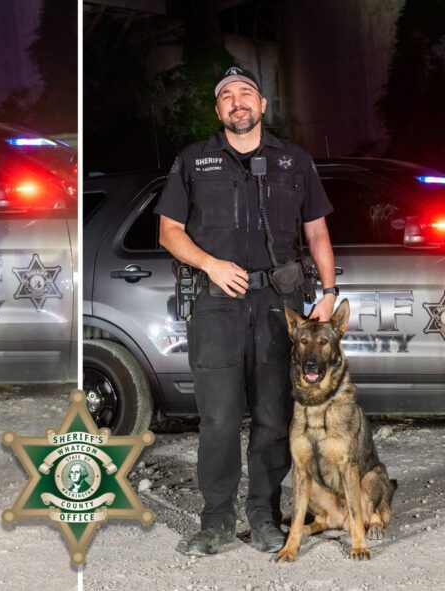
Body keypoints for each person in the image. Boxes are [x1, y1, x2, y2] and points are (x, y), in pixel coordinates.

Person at [155, 66, 337, 556]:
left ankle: (264, 516)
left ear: (262, 105)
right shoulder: (194, 160)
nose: (238, 102)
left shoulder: (294, 160)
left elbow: (316, 231)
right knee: (217, 418)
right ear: (218, 110)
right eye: (228, 97)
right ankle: (215, 521)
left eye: (247, 94)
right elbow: (169, 231)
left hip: (279, 304)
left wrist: (329, 290)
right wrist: (210, 265)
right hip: (217, 306)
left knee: (274, 417)